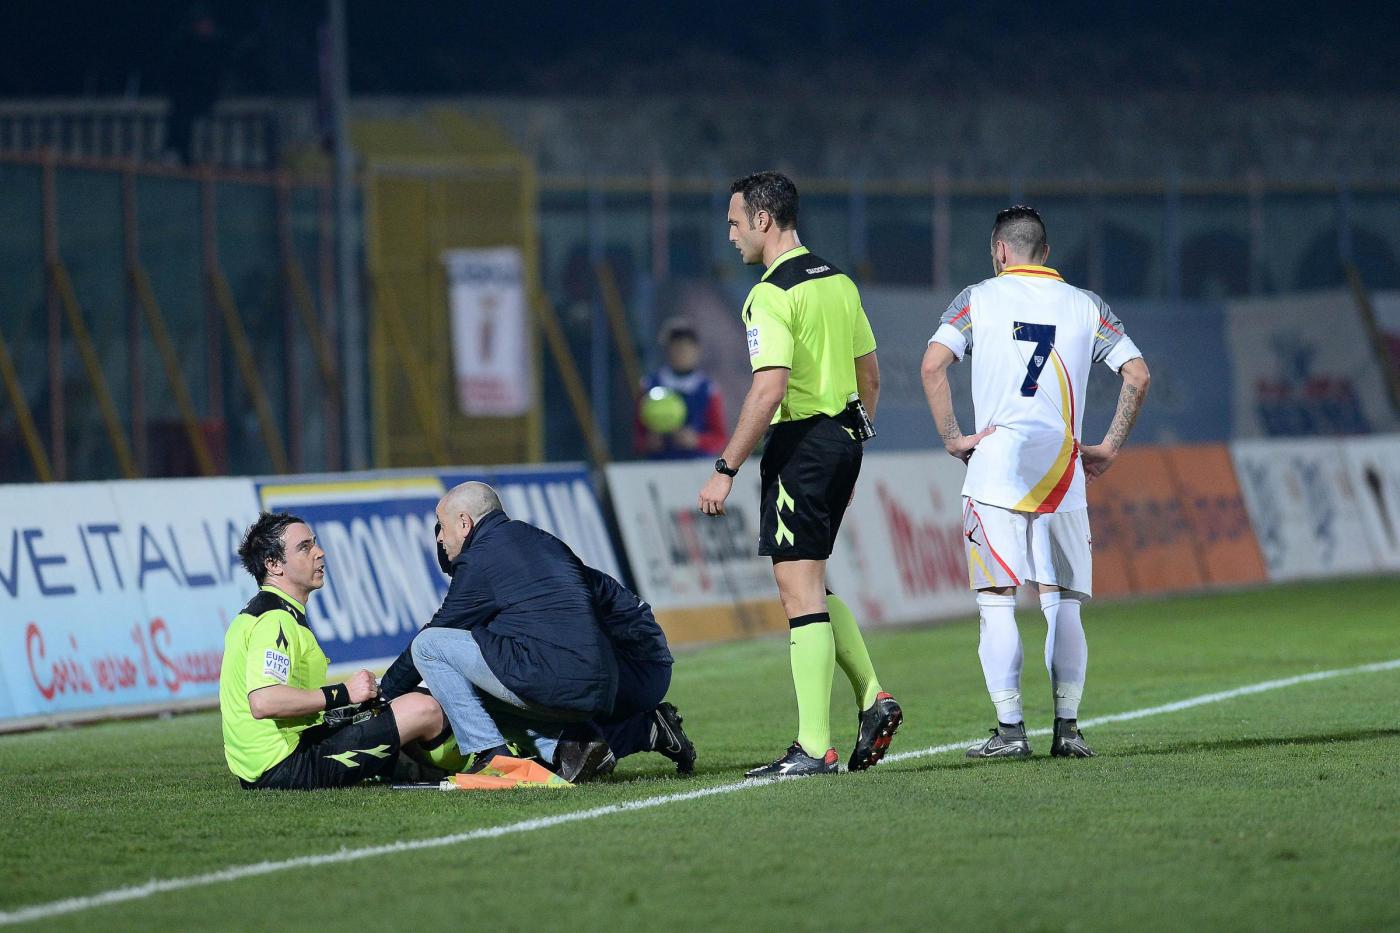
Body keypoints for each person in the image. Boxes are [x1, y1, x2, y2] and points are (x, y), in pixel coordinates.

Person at [920, 205, 1151, 759]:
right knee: (1062, 601)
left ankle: (1010, 732)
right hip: (1062, 470)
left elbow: (932, 366)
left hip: (996, 468)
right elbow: (1137, 375)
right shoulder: (1087, 305)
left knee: (997, 602)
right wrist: (1110, 446)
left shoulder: (976, 299)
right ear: (1046, 253)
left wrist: (953, 437)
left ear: (1000, 251)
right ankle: (1067, 730)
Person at [699, 170, 902, 779]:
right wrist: (854, 438)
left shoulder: (770, 294)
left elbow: (769, 389)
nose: (731, 235)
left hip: (801, 446)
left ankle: (814, 746)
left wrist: (725, 468)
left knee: (798, 593)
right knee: (809, 583)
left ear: (763, 220)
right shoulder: (838, 281)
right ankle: (872, 698)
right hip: (842, 440)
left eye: (735, 222)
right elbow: (870, 374)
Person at [378, 482, 696, 781]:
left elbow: (440, 628)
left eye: (441, 525)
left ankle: (492, 755)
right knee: (485, 667)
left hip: (631, 667)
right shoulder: (539, 544)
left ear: (464, 523)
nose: (438, 537)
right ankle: (584, 745)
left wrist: (384, 694)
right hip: (618, 673)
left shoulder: (483, 561)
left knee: (431, 647)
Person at [219, 512, 446, 790]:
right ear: (274, 564)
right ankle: (478, 763)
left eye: (314, 543)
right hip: (285, 766)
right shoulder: (275, 620)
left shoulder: (265, 612)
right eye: (305, 547)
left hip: (277, 758)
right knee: (423, 708)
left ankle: (405, 766)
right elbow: (264, 702)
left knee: (401, 700)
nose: (320, 552)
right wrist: (343, 693)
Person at [636, 318, 728, 460]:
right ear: (667, 350)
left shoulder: (709, 390)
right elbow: (637, 438)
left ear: (697, 350)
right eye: (676, 348)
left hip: (698, 466)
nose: (681, 353)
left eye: (686, 347)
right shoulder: (649, 386)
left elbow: (720, 438)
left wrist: (697, 440)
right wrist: (648, 443)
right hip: (658, 466)